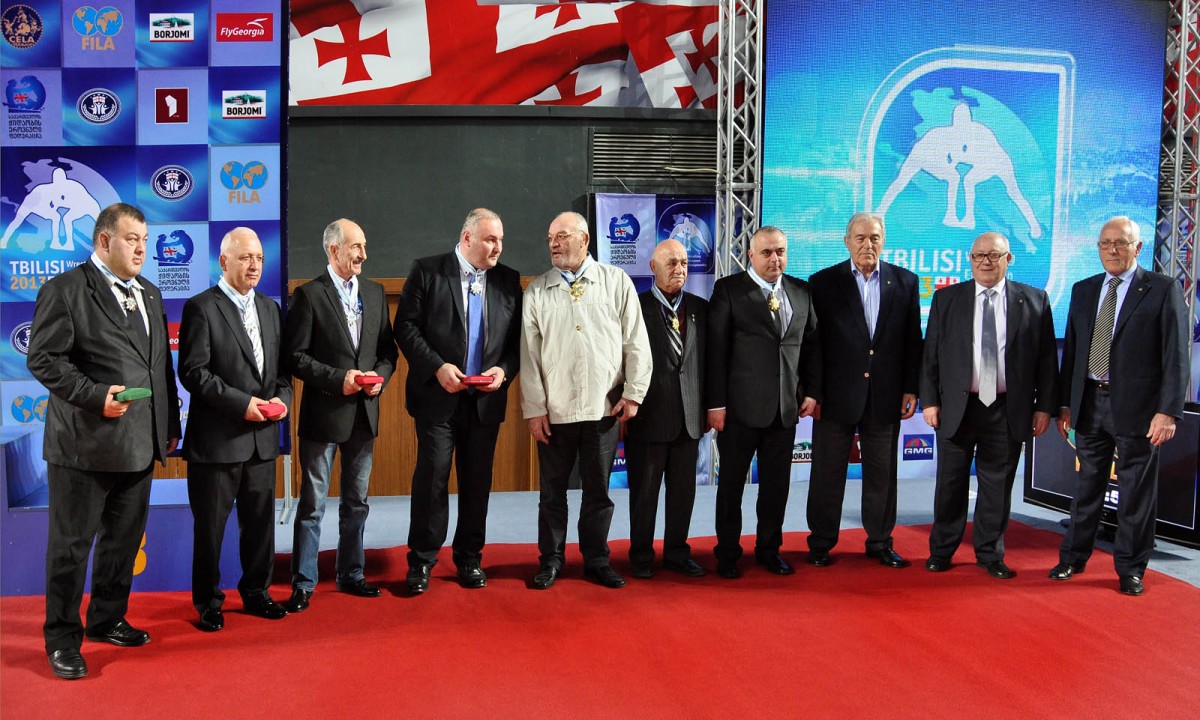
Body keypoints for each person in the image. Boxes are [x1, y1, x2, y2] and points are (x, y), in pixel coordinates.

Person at [27, 203, 180, 680]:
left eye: (145, 240)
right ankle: (61, 640)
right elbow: (44, 359)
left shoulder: (150, 293)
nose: (141, 249)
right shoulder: (65, 290)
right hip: (83, 448)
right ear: (105, 240)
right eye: (132, 239)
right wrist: (95, 397)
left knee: (123, 542)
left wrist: (168, 425)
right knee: (70, 549)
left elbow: (159, 367)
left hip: (138, 444)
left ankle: (107, 619)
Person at [1053, 216, 1190, 595]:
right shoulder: (1083, 289)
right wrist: (1066, 403)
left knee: (1135, 493)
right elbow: (1074, 352)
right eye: (1105, 243)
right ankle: (1073, 558)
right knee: (1086, 486)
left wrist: (1168, 411)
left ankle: (1131, 569)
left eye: (1120, 243)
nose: (1112, 250)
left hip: (1140, 409)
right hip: (1089, 403)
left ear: (1137, 247)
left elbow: (1176, 355)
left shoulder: (1162, 289)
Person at [521, 211, 652, 589]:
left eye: (562, 236)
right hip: (555, 412)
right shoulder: (537, 291)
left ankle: (596, 559)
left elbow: (636, 342)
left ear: (585, 239)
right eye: (551, 238)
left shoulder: (616, 281)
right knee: (552, 494)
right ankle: (551, 560)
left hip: (603, 409)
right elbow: (529, 357)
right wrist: (535, 409)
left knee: (598, 492)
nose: (554, 243)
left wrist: (633, 394)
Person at [395, 208, 522, 593]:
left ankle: (469, 558)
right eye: (490, 240)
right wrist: (437, 367)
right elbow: (406, 327)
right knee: (432, 475)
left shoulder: (508, 280)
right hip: (438, 398)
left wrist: (503, 371)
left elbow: (518, 342)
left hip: (484, 402)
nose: (498, 247)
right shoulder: (428, 271)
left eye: (500, 240)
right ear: (467, 238)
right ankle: (421, 560)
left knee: (477, 481)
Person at [920, 232, 1058, 578]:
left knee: (997, 486)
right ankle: (942, 550)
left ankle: (989, 554)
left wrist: (1044, 408)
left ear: (1008, 259)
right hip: (957, 408)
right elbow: (930, 355)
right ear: (970, 260)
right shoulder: (947, 299)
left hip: (1007, 408)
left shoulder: (1035, 300)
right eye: (978, 255)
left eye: (993, 255)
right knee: (950, 484)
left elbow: (1046, 361)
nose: (985, 262)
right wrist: (930, 402)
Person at [179, 227, 292, 630]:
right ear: (224, 261)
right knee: (210, 530)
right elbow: (194, 372)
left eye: (259, 258)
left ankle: (257, 592)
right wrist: (243, 405)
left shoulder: (270, 308)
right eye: (245, 258)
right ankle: (208, 601)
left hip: (263, 440)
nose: (255, 265)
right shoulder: (201, 307)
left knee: (260, 525)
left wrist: (283, 400)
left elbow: (282, 371)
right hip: (218, 442)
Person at [283, 219, 398, 612]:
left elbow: (388, 353)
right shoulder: (309, 295)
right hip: (323, 416)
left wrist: (380, 378)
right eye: (355, 247)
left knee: (357, 502)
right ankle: (303, 582)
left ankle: (351, 574)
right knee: (312, 504)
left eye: (364, 246)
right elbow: (295, 357)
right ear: (333, 250)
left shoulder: (375, 293)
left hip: (365, 414)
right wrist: (338, 379)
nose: (364, 254)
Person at [806, 212, 922, 569]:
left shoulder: (905, 281)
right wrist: (814, 392)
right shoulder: (823, 283)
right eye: (860, 237)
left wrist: (910, 388)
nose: (867, 244)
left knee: (882, 475)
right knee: (827, 474)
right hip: (835, 396)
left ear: (883, 240)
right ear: (847, 242)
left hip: (885, 395)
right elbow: (814, 345)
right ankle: (821, 542)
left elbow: (912, 340)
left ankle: (880, 542)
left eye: (874, 237)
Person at [707, 226, 819, 579]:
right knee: (731, 488)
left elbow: (812, 347)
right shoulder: (728, 290)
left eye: (780, 251)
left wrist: (811, 392)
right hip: (738, 412)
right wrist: (715, 404)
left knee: (776, 489)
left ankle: (769, 551)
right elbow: (715, 351)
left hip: (784, 411)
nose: (775, 258)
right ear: (751, 255)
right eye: (767, 252)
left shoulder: (801, 292)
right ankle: (727, 554)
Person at [623, 239, 708, 579]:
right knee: (644, 494)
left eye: (684, 262)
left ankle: (677, 552)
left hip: (689, 418)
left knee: (683, 494)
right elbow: (621, 360)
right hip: (648, 417)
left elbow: (708, 363)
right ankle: (641, 555)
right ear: (653, 267)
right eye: (671, 262)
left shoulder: (701, 308)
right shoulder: (634, 307)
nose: (679, 269)